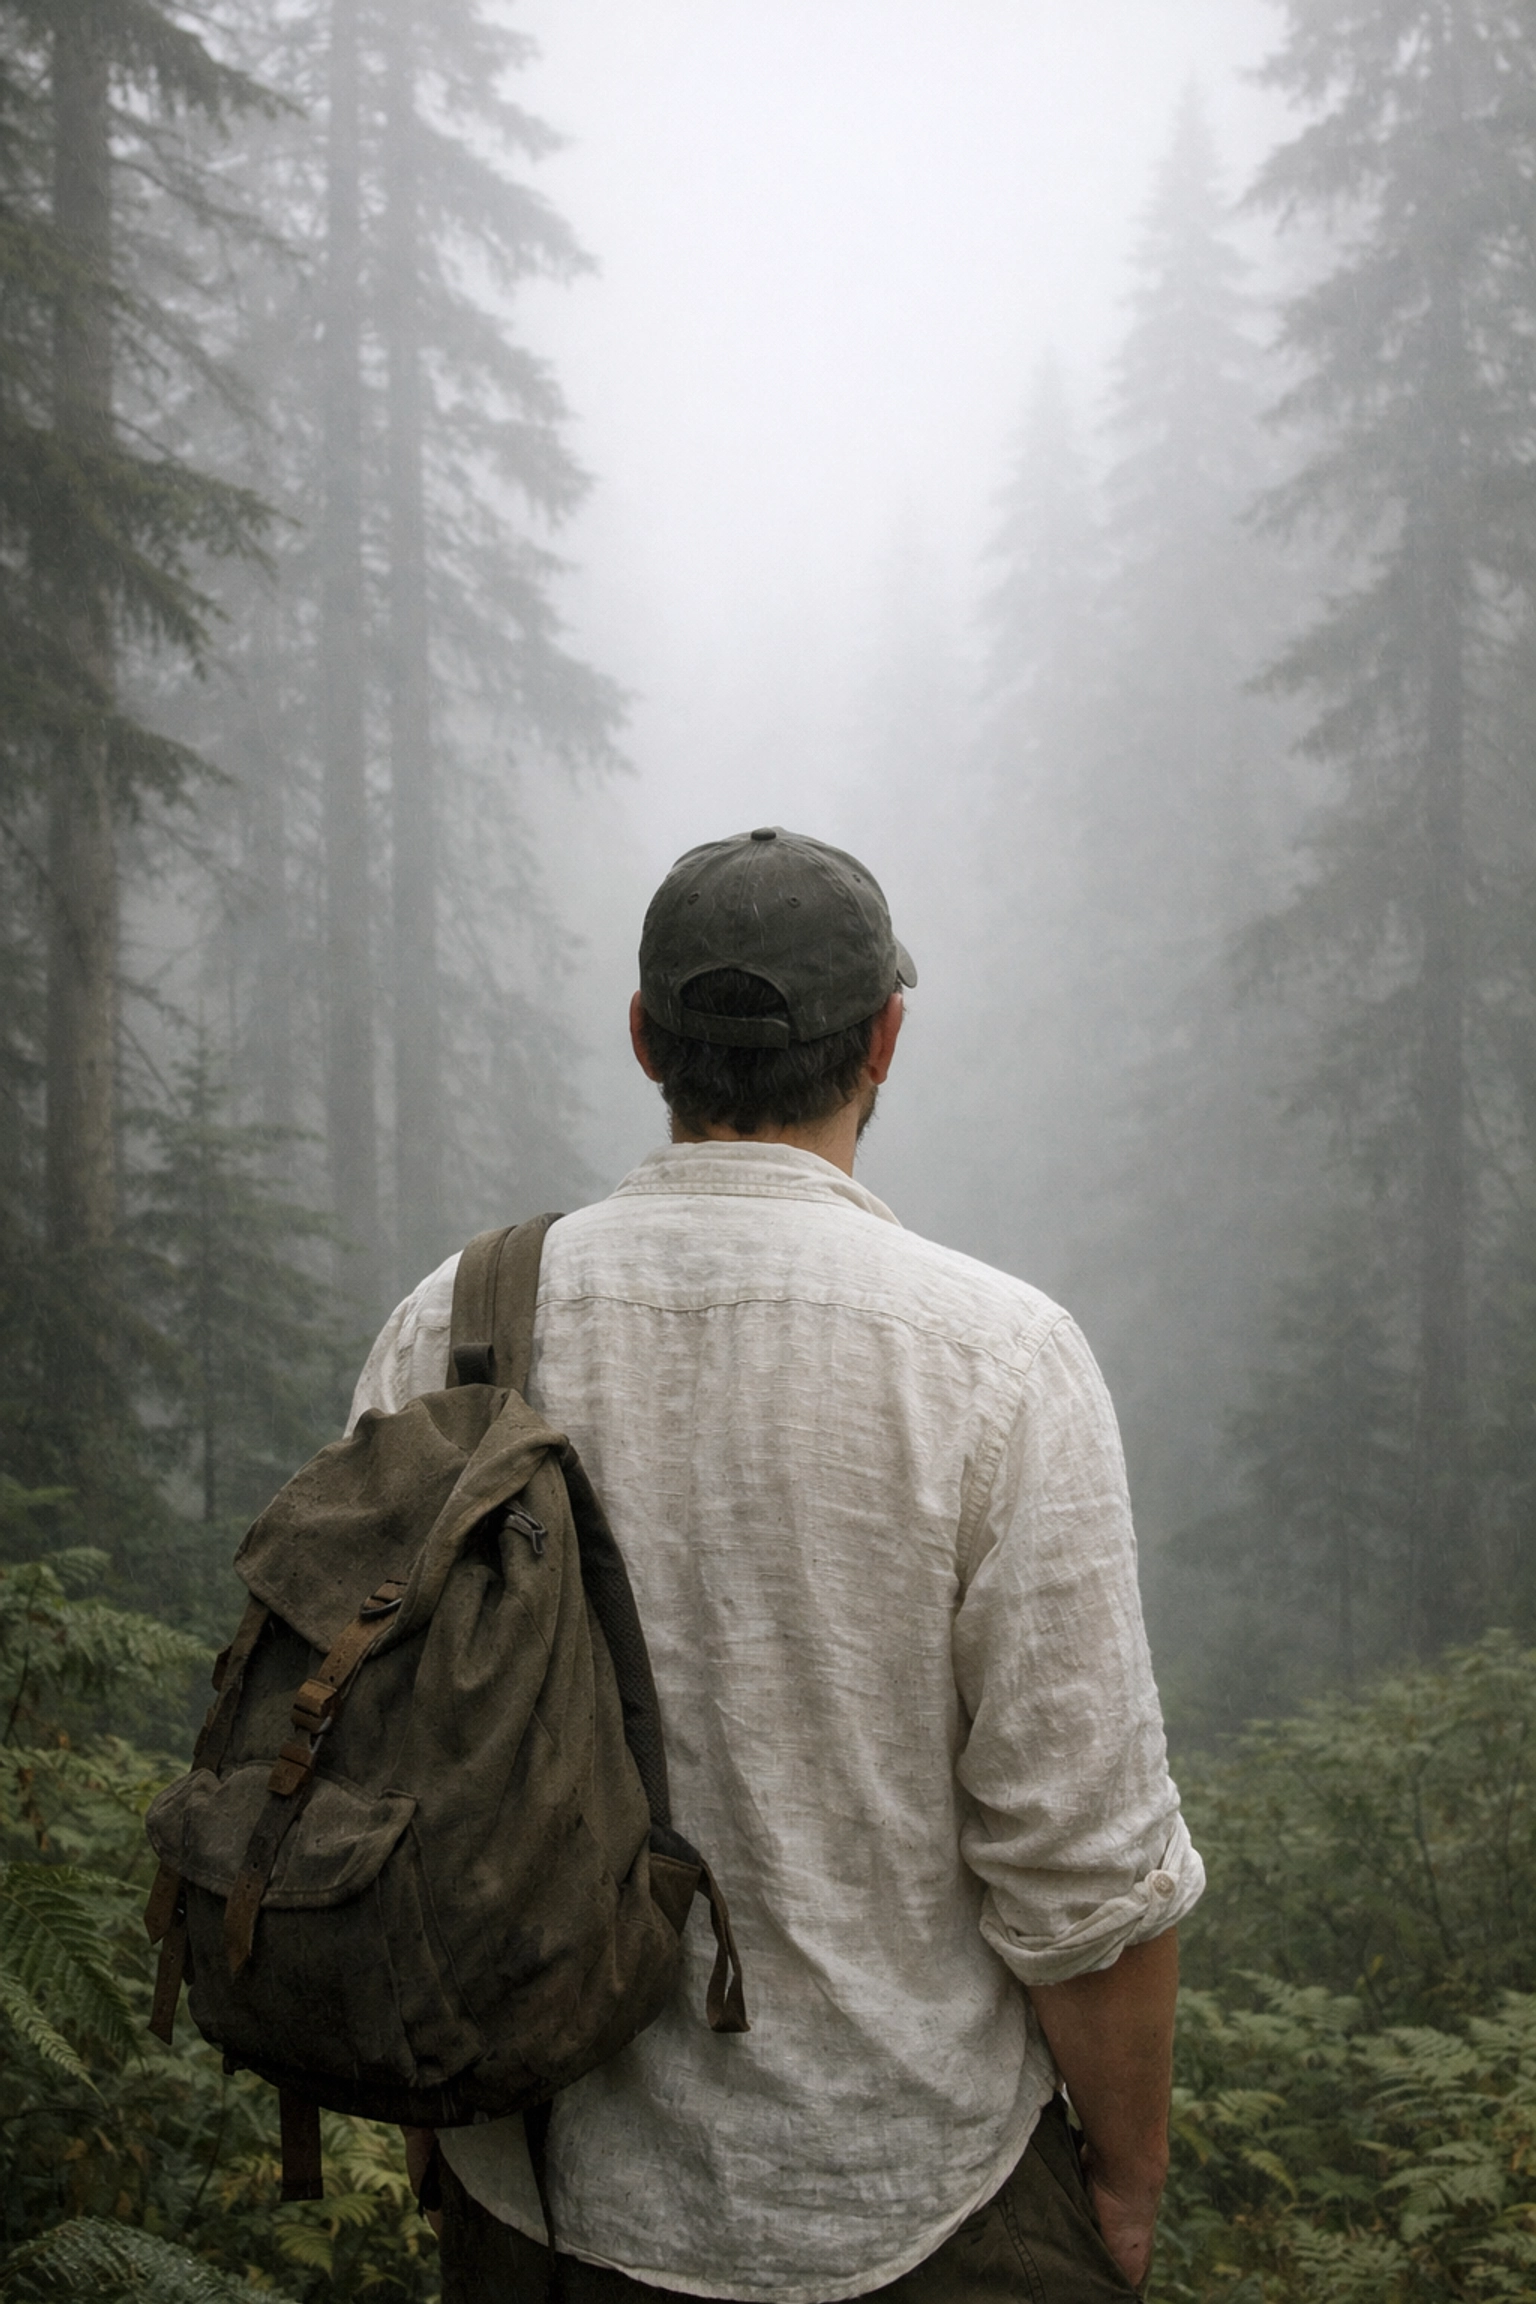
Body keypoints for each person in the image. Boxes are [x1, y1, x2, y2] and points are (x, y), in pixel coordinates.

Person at [349, 827, 1203, 2304]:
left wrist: (444, 2108)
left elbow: (381, 1762)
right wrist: (1124, 2178)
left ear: (643, 1038)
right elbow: (1085, 1866)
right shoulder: (999, 1361)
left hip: (541, 2189)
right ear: (884, 1041)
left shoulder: (452, 1325)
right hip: (916, 2198)